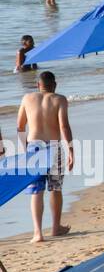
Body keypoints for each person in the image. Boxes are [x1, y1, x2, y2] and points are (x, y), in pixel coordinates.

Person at [16, 71, 73, 242]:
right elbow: (64, 126)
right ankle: (56, 227)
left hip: (34, 147)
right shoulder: (60, 99)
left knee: (36, 191)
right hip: (54, 147)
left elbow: (20, 126)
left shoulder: (27, 98)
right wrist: (71, 150)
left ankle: (37, 233)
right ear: (54, 85)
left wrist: (22, 150)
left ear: (37, 85)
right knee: (55, 187)